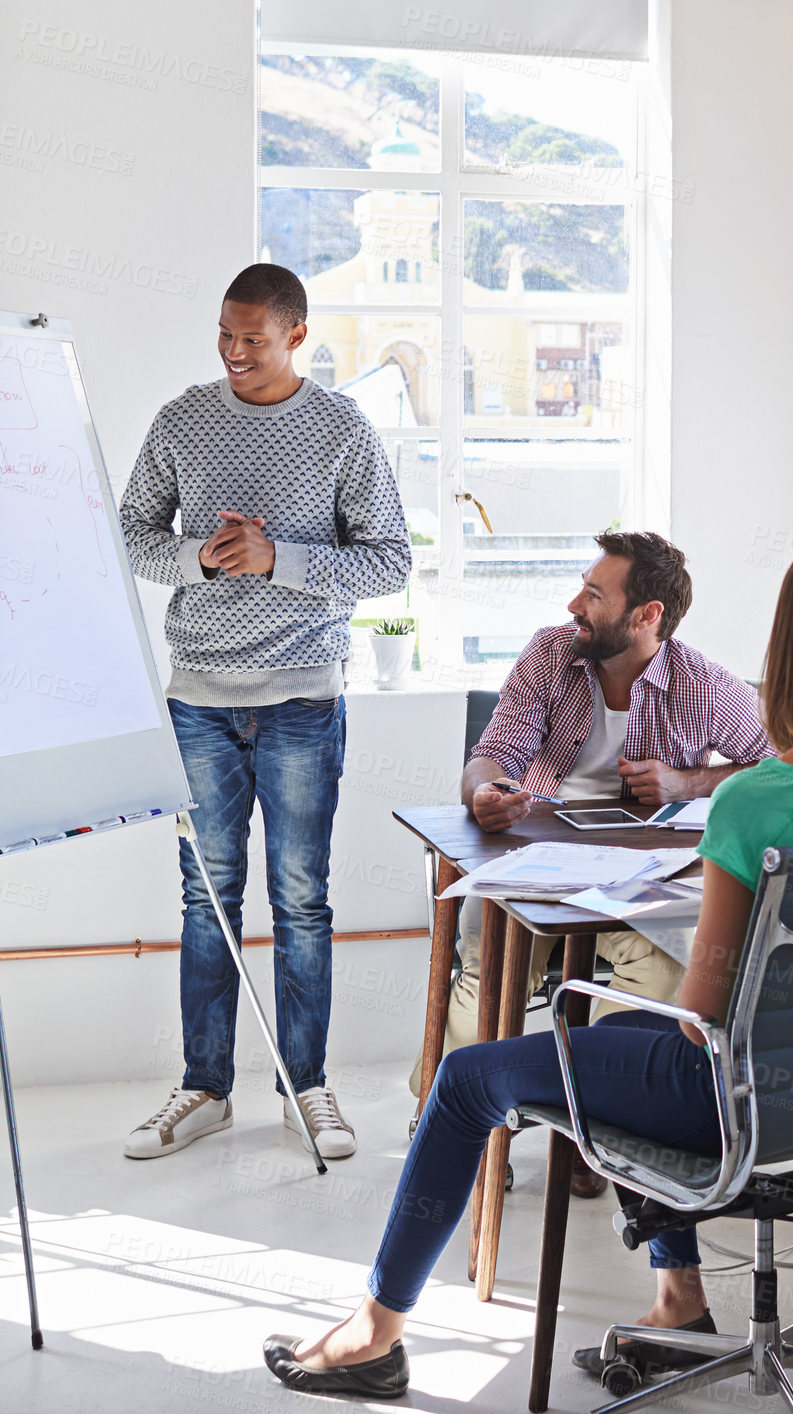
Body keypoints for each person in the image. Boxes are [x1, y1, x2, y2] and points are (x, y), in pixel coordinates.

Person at [262, 537, 793, 1399]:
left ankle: (374, 1336)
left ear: (786, 648)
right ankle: (677, 1299)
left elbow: (701, 1013)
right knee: (637, 1030)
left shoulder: (755, 802)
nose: (577, 604)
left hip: (744, 1091)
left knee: (465, 1081)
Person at [119, 263, 411, 1163]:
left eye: (253, 337)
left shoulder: (341, 430)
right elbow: (130, 536)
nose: (234, 352)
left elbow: (390, 563)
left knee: (301, 901)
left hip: (301, 701)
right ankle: (204, 1088)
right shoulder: (182, 420)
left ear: (297, 334)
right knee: (206, 903)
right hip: (200, 700)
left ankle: (304, 1086)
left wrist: (277, 556)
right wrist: (202, 563)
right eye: (224, 333)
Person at [412, 532, 773, 1191]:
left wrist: (687, 784)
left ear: (647, 615)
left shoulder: (703, 685)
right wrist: (483, 792)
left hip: (633, 886)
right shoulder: (549, 654)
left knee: (667, 977)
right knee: (487, 963)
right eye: (582, 585)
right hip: (533, 871)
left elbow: (778, 764)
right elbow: (493, 753)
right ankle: (454, 1113)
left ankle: (598, 1122)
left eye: (595, 594)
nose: (574, 603)